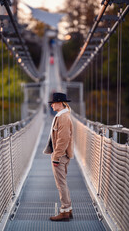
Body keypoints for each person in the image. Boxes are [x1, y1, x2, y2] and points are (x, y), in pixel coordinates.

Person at [43, 92, 74, 221]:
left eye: (53, 103)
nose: (51, 106)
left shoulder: (63, 118)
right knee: (62, 183)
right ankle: (68, 209)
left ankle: (64, 211)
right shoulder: (62, 116)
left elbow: (63, 139)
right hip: (60, 155)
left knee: (61, 184)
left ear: (59, 103)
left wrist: (56, 157)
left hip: (60, 156)